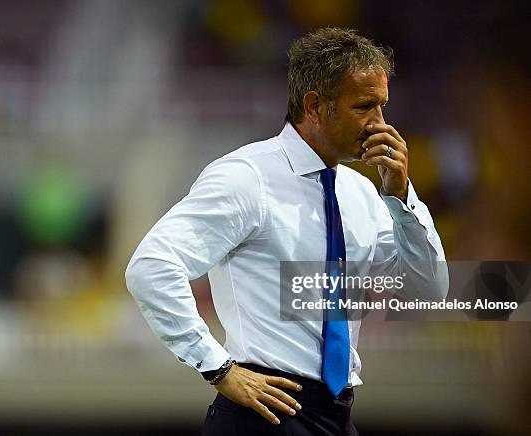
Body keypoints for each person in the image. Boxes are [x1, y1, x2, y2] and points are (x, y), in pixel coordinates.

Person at [125, 27, 448, 436]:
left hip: (336, 414)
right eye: (364, 106)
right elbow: (150, 267)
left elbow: (428, 291)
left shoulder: (364, 193)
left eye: (383, 106)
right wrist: (217, 367)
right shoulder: (247, 177)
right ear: (315, 106)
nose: (379, 123)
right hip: (264, 413)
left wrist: (402, 197)